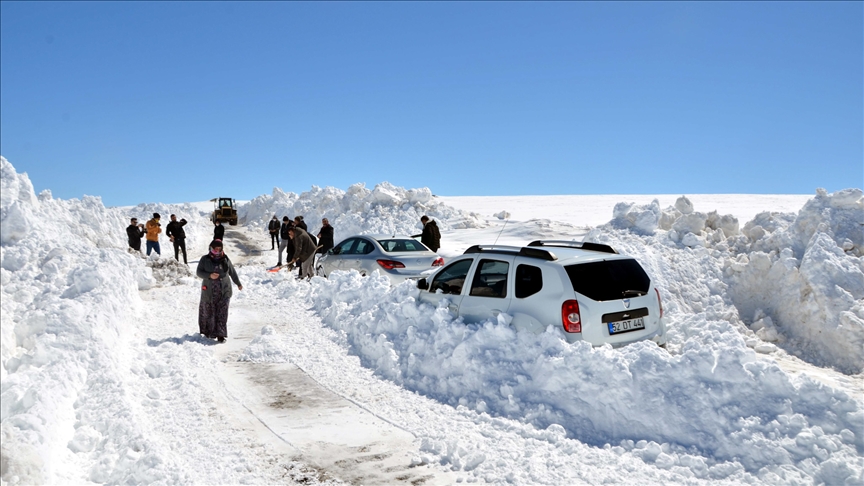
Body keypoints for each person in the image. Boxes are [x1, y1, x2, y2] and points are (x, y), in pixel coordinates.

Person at [196, 240, 242, 343]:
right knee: (209, 311)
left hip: (224, 290)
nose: (217, 251)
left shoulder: (225, 259)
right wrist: (209, 275)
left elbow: (232, 271)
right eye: (215, 249)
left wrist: (238, 283)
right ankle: (208, 333)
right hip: (209, 290)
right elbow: (199, 272)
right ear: (211, 248)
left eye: (219, 249)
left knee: (222, 313)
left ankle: (221, 335)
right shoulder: (205, 259)